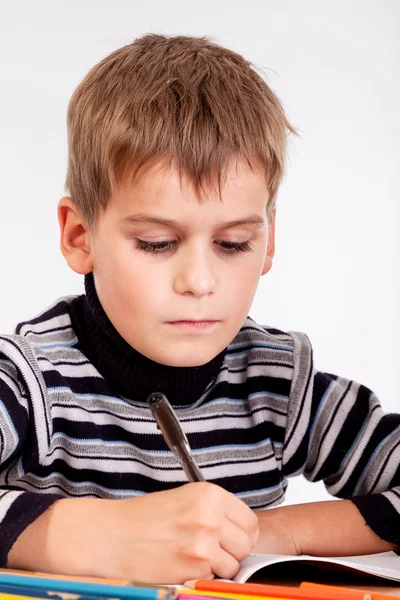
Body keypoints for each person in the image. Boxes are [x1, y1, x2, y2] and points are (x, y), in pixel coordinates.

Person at [0, 34, 399, 584]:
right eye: (157, 243)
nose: (200, 281)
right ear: (79, 236)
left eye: (233, 244)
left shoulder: (278, 383)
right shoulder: (28, 382)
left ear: (269, 241)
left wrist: (263, 533)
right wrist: (88, 535)